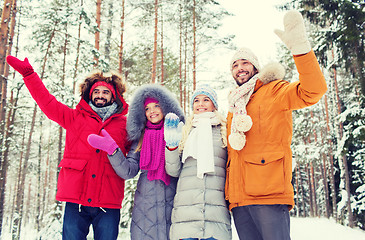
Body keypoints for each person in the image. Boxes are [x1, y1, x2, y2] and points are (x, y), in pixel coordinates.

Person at [225, 10, 328, 240]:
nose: (240, 68)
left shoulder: (275, 90)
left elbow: (314, 90)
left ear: (255, 66)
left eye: (245, 62)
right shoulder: (234, 105)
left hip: (269, 194)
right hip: (239, 200)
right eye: (235, 65)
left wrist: (300, 49)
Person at [6, 56, 129, 240]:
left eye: (106, 92)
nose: (101, 95)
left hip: (108, 201)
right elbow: (47, 103)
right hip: (76, 200)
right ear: (90, 94)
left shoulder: (124, 125)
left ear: (114, 96)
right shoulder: (74, 118)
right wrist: (29, 75)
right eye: (97, 92)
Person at [87, 84, 185, 240]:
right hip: (145, 207)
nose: (152, 111)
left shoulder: (179, 132)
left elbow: (180, 169)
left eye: (156, 106)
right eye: (147, 108)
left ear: (166, 106)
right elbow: (128, 171)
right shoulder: (140, 138)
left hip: (173, 199)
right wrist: (113, 150)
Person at [165, 85, 232, 240]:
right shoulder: (185, 131)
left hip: (216, 216)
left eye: (206, 100)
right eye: (196, 100)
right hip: (185, 215)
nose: (200, 104)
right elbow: (173, 170)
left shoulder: (224, 130)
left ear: (214, 104)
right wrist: (171, 145)